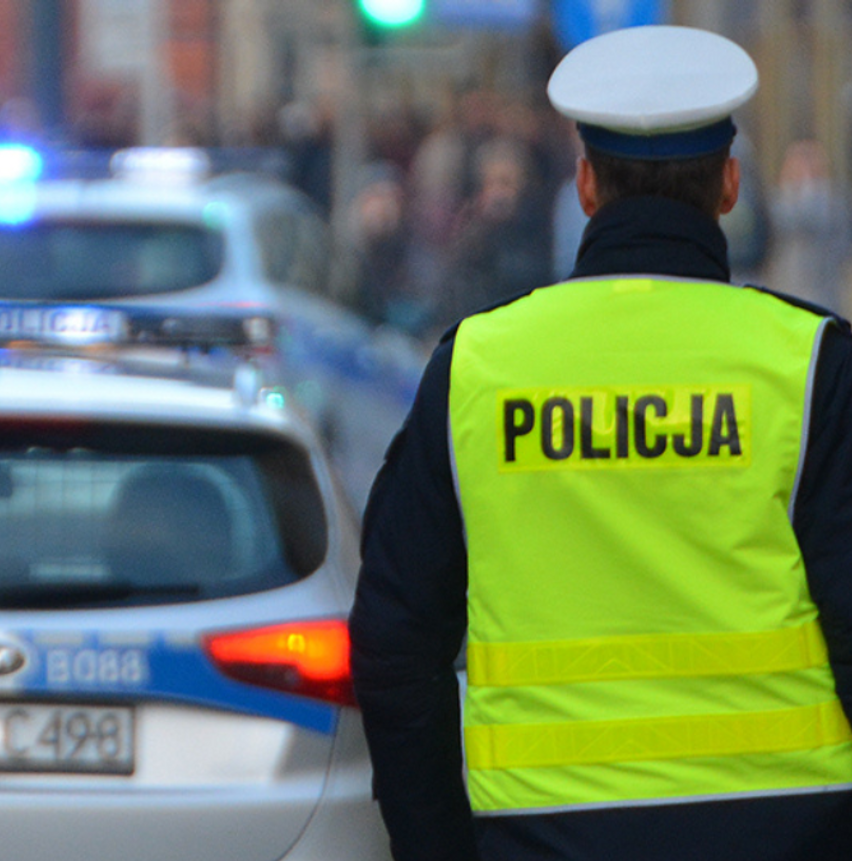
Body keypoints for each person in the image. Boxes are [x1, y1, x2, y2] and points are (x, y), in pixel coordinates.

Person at [351, 26, 852, 861]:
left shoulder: (478, 367)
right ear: (730, 186)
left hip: (539, 833)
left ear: (585, 186)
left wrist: (439, 845)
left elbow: (395, 643)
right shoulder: (809, 366)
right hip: (790, 829)